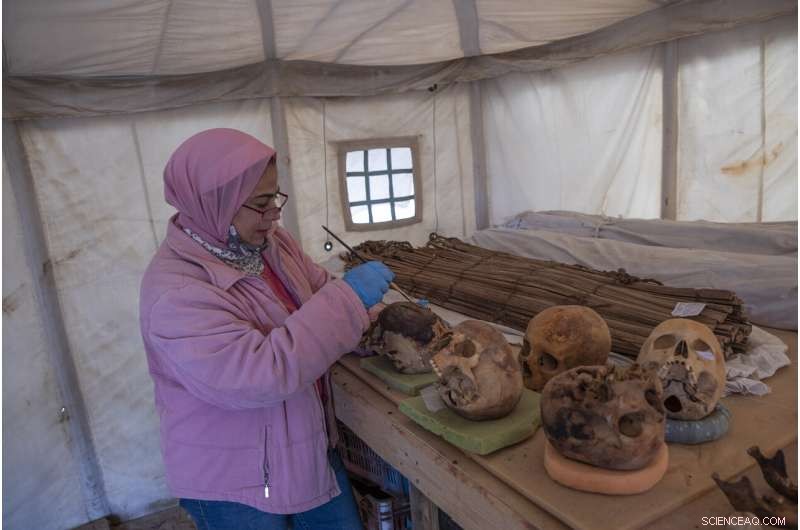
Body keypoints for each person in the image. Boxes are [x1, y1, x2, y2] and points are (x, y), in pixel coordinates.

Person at [139, 128, 393, 530]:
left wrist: (379, 318)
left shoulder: (271, 243)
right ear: (215, 203)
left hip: (304, 444)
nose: (274, 214)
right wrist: (348, 301)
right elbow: (260, 374)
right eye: (260, 204)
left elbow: (320, 291)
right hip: (235, 478)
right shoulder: (177, 293)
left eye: (275, 197)